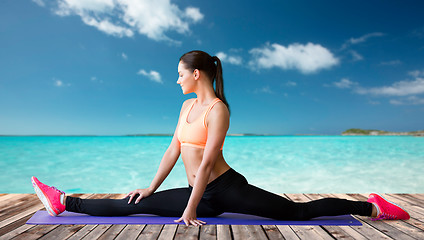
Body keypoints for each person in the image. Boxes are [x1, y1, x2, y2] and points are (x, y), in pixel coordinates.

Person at [32, 50, 410, 226]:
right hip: (200, 193)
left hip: (225, 189)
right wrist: (150, 187)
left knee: (297, 213)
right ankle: (64, 201)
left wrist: (192, 207)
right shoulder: (185, 109)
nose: (177, 79)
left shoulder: (218, 111)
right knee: (134, 204)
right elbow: (172, 150)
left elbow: (209, 161)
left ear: (197, 74)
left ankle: (371, 207)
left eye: (180, 74)